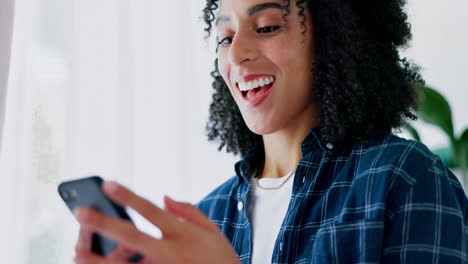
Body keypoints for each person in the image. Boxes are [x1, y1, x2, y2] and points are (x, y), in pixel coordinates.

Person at [73, 0, 468, 263]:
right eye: (225, 36)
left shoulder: (402, 179)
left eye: (265, 27)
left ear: (334, 37)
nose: (236, 52)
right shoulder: (208, 219)